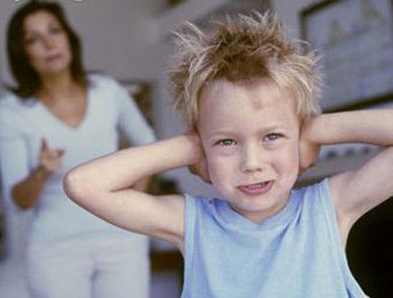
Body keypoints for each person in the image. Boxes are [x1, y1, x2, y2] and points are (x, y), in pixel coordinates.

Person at [63, 12, 392, 297]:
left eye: (272, 136)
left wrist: (315, 129)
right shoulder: (192, 225)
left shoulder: (328, 209)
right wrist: (192, 146)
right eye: (227, 143)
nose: (251, 163)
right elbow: (83, 184)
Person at [0, 1, 155, 297]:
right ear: (23, 54)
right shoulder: (12, 112)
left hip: (121, 238)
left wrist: (133, 199)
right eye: (33, 39)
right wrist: (42, 171)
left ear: (69, 37)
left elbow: (148, 143)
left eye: (54, 31)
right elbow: (19, 200)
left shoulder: (107, 91)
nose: (48, 43)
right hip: (54, 249)